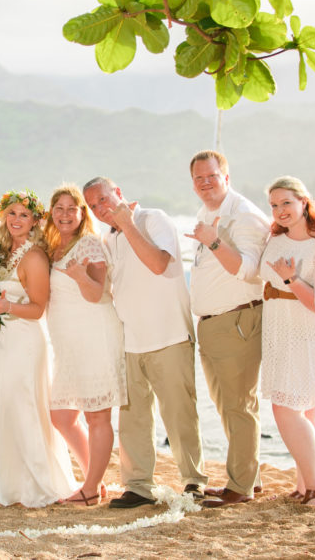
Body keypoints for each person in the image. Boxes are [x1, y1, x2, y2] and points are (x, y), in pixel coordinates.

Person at [82, 177, 208, 507]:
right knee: (133, 417)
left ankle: (194, 481)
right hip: (130, 339)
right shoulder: (108, 239)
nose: (100, 209)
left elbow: (157, 263)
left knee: (179, 412)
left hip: (169, 334)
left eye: (104, 200)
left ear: (119, 194)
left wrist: (127, 224)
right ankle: (138, 485)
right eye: (93, 206)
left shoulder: (153, 219)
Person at [184, 150, 270, 508]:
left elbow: (249, 270)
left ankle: (242, 487)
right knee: (226, 404)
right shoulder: (207, 213)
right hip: (213, 324)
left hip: (237, 320)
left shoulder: (244, 216)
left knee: (239, 405)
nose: (205, 183)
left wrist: (214, 241)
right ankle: (248, 475)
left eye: (211, 176)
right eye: (199, 179)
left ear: (227, 178)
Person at [260, 176, 315, 505]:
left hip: (310, 334)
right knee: (307, 414)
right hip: (281, 330)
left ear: (304, 202)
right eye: (274, 205)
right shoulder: (275, 240)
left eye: (286, 203)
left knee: (285, 408)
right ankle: (303, 485)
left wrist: (291, 279)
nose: (280, 211)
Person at [0, 189, 76, 507]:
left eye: (24, 214)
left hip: (24, 341)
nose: (17, 220)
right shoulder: (2, 252)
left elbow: (38, 308)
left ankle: (38, 483)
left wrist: (7, 306)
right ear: (3, 217)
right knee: (8, 406)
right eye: (12, 213)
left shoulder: (34, 256)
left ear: (35, 220)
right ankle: (12, 483)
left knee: (24, 405)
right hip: (4, 341)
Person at [43, 184, 126, 506]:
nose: (65, 215)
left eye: (71, 209)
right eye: (59, 208)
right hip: (68, 344)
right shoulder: (53, 247)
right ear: (51, 213)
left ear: (82, 214)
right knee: (62, 416)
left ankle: (90, 489)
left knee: (96, 416)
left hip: (95, 337)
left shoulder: (89, 244)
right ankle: (95, 479)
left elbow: (95, 294)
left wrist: (79, 276)